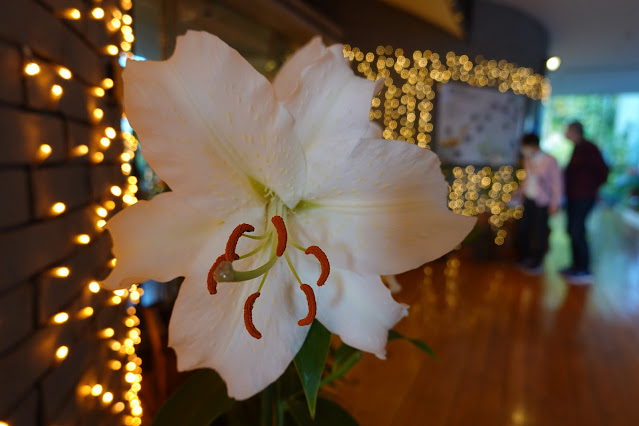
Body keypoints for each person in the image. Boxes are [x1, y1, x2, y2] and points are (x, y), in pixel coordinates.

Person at [562, 121, 609, 283]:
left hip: (583, 197)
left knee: (577, 230)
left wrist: (590, 188)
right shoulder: (578, 148)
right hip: (574, 196)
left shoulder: (589, 148)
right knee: (572, 230)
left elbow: (603, 171)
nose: (565, 133)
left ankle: (584, 269)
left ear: (575, 131)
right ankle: (576, 265)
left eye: (567, 131)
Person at [517, 133, 563, 274]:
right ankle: (524, 257)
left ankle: (536, 261)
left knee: (539, 231)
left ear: (534, 145)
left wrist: (555, 204)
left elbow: (557, 184)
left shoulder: (550, 161)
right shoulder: (527, 159)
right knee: (524, 228)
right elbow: (526, 179)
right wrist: (519, 193)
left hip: (542, 201)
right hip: (528, 198)